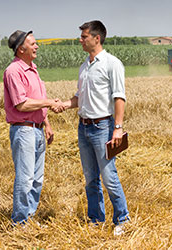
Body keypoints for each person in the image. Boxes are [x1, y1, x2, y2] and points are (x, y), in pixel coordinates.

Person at [55, 20, 129, 236]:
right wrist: (65, 105)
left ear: (97, 38)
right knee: (90, 178)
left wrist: (117, 128)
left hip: (102, 127)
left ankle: (122, 219)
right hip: (84, 127)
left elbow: (119, 97)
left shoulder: (112, 64)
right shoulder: (84, 67)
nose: (80, 40)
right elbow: (80, 97)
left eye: (84, 36)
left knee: (109, 176)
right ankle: (96, 219)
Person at [3, 30, 64, 225]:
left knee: (37, 179)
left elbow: (35, 99)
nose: (37, 46)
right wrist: (48, 102)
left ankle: (28, 216)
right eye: (33, 43)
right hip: (24, 130)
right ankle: (19, 222)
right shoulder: (14, 71)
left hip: (36, 129)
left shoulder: (33, 68)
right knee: (26, 178)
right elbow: (21, 104)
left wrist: (46, 123)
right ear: (21, 48)